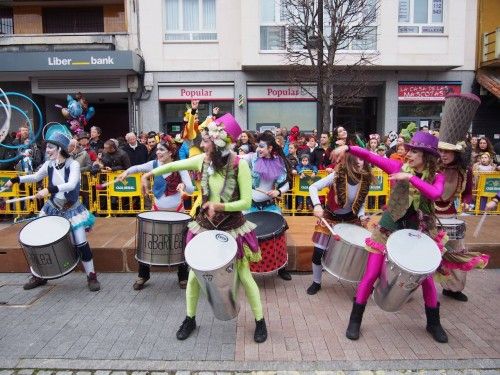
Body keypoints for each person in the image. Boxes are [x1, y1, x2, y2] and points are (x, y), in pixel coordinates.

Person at [139, 113, 268, 343]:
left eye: (207, 140)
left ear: (221, 142)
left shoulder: (241, 165)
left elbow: (246, 202)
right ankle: (190, 318)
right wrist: (149, 173)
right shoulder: (203, 161)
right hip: (205, 227)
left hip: (232, 228)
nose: (202, 143)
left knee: (245, 277)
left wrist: (219, 205)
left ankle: (260, 321)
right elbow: (177, 163)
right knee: (193, 278)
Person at [332, 131, 449, 343]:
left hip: (419, 231)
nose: (408, 154)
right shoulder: (397, 167)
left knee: (427, 280)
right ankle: (355, 320)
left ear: (426, 156)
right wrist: (348, 148)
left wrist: (410, 178)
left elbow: (435, 194)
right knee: (371, 274)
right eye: (409, 150)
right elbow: (371, 156)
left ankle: (434, 323)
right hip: (388, 228)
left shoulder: (437, 176)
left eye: (414, 152)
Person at [4, 126, 100, 291]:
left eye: (50, 147)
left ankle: (91, 276)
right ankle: (39, 275)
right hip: (52, 207)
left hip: (72, 209)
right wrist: (14, 180)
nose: (47, 150)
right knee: (37, 239)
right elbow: (35, 177)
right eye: (47, 147)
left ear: (60, 149)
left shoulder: (74, 165)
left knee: (81, 242)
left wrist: (49, 190)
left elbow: (70, 184)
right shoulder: (48, 164)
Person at [116, 137, 194, 290]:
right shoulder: (154, 164)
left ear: (171, 152)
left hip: (177, 212)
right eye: (157, 149)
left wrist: (184, 184)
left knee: (180, 244)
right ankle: (143, 275)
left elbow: (191, 189)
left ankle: (182, 276)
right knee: (147, 241)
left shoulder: (179, 166)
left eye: (161, 150)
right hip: (157, 211)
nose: (158, 152)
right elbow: (137, 168)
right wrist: (125, 173)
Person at [433, 93, 489, 302]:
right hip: (428, 218)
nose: (444, 154)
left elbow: (467, 194)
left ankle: (453, 288)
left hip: (451, 217)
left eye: (448, 151)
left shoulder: (465, 172)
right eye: (441, 150)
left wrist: (466, 202)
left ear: (457, 153)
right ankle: (411, 289)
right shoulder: (429, 168)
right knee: (423, 253)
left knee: (456, 253)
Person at [307, 153, 372, 295]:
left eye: (361, 159)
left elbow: (361, 203)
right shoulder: (337, 175)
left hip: (352, 218)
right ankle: (316, 282)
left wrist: (362, 217)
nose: (359, 162)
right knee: (318, 253)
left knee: (361, 255)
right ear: (349, 161)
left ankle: (363, 286)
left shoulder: (366, 179)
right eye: (355, 160)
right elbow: (313, 187)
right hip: (331, 217)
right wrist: (317, 205)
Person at [243, 131, 293, 280]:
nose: (259, 149)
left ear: (270, 148)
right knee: (246, 235)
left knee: (279, 233)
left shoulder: (279, 162)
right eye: (258, 146)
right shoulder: (251, 158)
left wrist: (278, 191)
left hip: (270, 206)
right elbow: (235, 159)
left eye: (262, 146)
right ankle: (246, 268)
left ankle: (282, 267)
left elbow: (287, 184)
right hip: (251, 206)